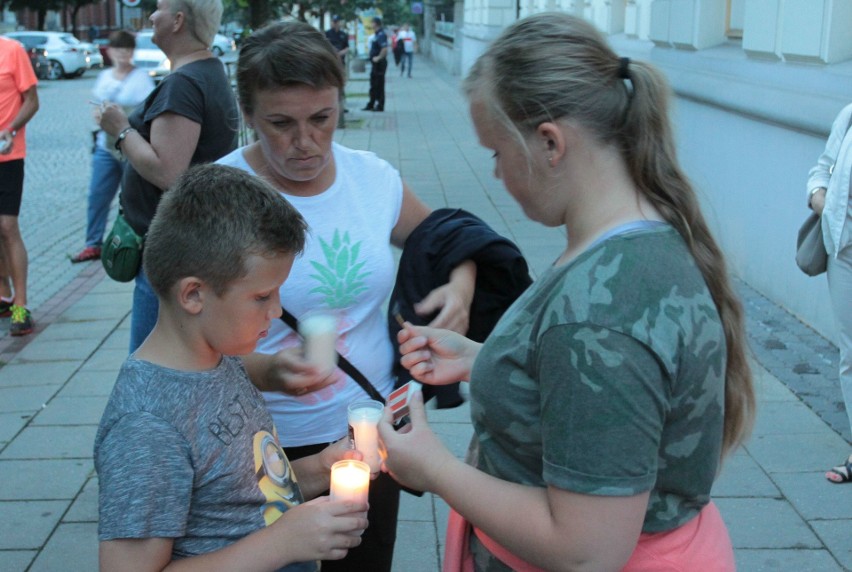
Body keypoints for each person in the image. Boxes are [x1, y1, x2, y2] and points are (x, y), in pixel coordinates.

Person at [381, 12, 757, 571]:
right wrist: (488, 363)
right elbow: (601, 392)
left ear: (550, 143)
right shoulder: (639, 237)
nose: (497, 174)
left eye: (497, 152)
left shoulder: (599, 315)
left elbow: (586, 550)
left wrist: (432, 467)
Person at [217, 21, 476, 571]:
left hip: (365, 432)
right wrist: (262, 369)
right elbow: (177, 331)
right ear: (247, 115)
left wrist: (461, 283)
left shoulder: (371, 180)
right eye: (280, 124)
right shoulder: (218, 193)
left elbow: (445, 239)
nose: (304, 142)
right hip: (259, 445)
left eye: (322, 119)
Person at [94, 164, 368, 571]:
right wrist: (283, 543)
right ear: (193, 295)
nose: (276, 312)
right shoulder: (147, 427)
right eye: (262, 296)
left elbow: (243, 496)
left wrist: (319, 468)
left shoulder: (218, 362)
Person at [96, 0, 238, 352]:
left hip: (167, 254)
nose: (151, 17)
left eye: (158, 8)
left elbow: (168, 172)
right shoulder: (206, 70)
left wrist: (120, 129)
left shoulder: (184, 84)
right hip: (189, 244)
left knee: (149, 367)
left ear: (177, 21)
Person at [70, 30, 155, 264]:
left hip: (129, 148)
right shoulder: (105, 77)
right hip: (105, 147)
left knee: (131, 197)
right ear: (110, 51)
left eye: (127, 49)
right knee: (98, 195)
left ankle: (133, 242)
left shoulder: (141, 79)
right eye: (118, 49)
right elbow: (95, 109)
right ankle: (92, 243)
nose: (122, 54)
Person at [807, 103, 852, 484]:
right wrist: (820, 200)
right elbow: (821, 169)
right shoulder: (849, 115)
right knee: (851, 352)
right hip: (845, 253)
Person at [0, 34, 39, 336]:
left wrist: (11, 129)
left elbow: (32, 101)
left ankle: (20, 307)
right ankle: (3, 295)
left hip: (7, 154)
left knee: (7, 227)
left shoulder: (12, 50)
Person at [325, 15, 349, 123]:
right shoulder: (327, 34)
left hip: (341, 63)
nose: (335, 23)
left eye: (337, 21)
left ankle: (342, 106)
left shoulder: (343, 34)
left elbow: (347, 47)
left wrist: (341, 53)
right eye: (334, 21)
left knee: (341, 84)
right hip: (330, 63)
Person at [362, 16, 388, 112]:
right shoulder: (376, 35)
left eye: (372, 22)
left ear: (376, 24)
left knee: (379, 84)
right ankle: (371, 103)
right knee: (373, 84)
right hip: (375, 64)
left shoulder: (381, 35)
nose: (371, 24)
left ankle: (380, 105)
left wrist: (378, 58)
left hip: (379, 64)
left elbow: (384, 49)